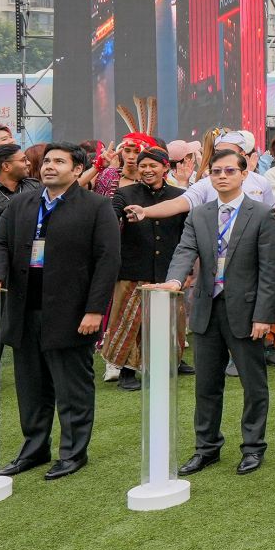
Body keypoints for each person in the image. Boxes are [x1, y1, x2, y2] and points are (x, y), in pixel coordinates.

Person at [0, 143, 121, 479]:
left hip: (72, 313)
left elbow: (107, 261)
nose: (49, 166)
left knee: (73, 389)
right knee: (31, 388)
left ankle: (73, 452)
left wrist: (95, 310)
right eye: (46, 161)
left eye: (59, 161)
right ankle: (35, 448)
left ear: (77, 169)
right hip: (24, 309)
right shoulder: (21, 203)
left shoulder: (97, 206)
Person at [153, 147, 275, 475]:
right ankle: (206, 448)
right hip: (206, 309)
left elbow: (271, 269)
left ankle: (253, 447)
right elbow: (185, 250)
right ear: (209, 176)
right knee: (206, 385)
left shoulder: (262, 214)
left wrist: (264, 316)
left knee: (253, 385)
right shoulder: (199, 215)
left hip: (247, 312)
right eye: (216, 171)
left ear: (244, 174)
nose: (222, 176)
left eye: (229, 171)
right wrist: (174, 280)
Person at [102, 148, 186, 392]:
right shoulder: (125, 194)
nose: (147, 170)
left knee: (170, 320)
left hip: (168, 269)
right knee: (129, 322)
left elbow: (185, 234)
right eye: (143, 166)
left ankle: (170, 362)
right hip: (133, 268)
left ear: (165, 167)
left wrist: (188, 270)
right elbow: (111, 219)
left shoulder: (179, 196)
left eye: (153, 165)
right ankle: (127, 371)